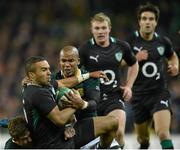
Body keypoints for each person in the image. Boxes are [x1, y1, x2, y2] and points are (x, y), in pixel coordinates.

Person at [22, 56, 118, 149]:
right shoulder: (37, 93)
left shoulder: (43, 85)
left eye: (48, 69)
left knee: (112, 122)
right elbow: (60, 120)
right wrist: (76, 103)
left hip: (61, 134)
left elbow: (64, 82)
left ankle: (99, 148)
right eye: (44, 70)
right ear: (31, 75)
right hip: (54, 144)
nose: (49, 73)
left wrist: (89, 75)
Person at [79, 12, 139, 149]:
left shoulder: (121, 46)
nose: (100, 31)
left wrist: (129, 86)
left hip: (114, 96)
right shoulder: (85, 50)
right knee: (97, 139)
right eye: (97, 28)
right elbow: (73, 72)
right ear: (92, 30)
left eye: (103, 28)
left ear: (109, 28)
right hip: (92, 100)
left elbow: (134, 64)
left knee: (118, 133)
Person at [126, 3, 179, 149]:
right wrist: (134, 58)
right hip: (138, 96)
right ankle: (144, 144)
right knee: (143, 139)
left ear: (156, 22)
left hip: (158, 93)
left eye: (151, 19)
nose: (147, 21)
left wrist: (175, 66)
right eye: (144, 18)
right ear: (139, 21)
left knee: (163, 133)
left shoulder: (163, 42)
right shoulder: (130, 41)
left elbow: (173, 56)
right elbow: (118, 62)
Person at [53, 45, 101, 121]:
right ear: (59, 61)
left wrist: (82, 104)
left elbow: (94, 103)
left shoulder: (91, 78)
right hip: (64, 124)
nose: (67, 65)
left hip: (86, 121)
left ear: (78, 61)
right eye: (64, 61)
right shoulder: (54, 78)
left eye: (71, 60)